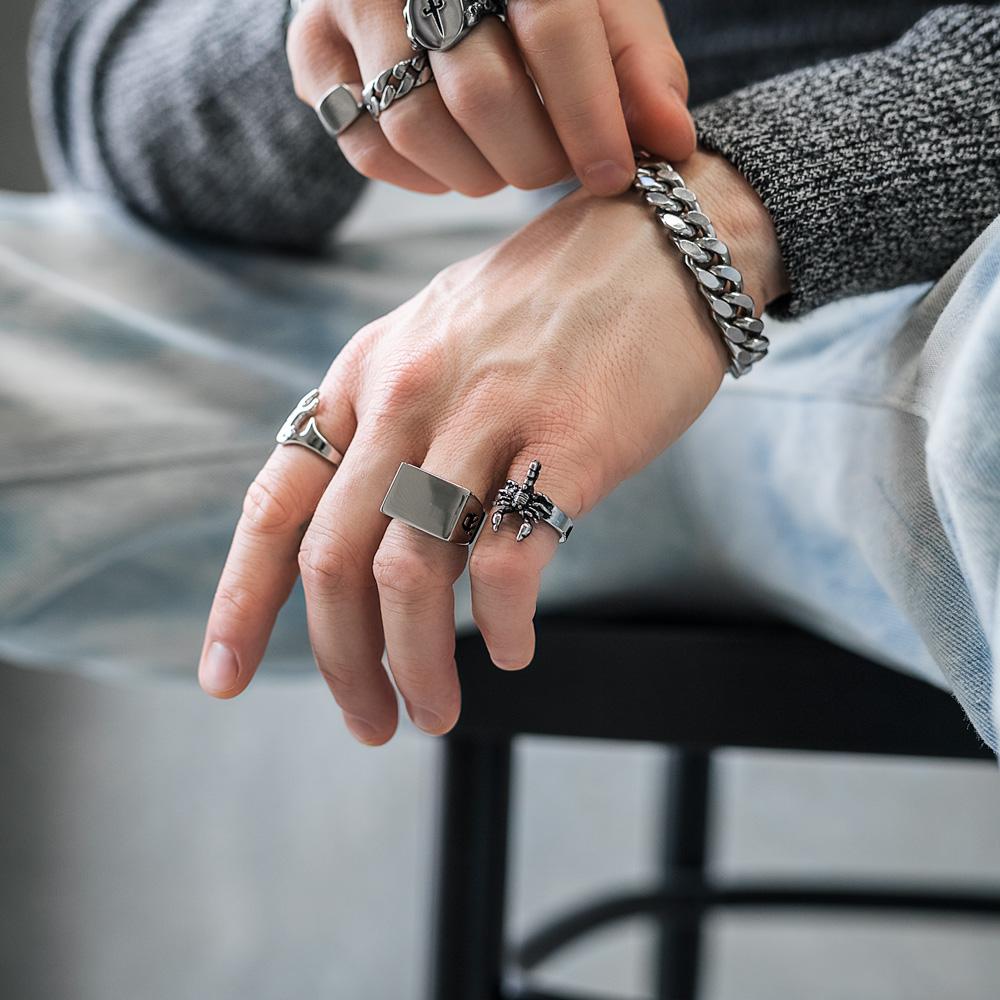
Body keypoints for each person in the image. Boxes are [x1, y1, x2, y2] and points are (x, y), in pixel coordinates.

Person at [18, 0, 1000, 750]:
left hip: (934, 245)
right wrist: (329, 36)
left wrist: (720, 217)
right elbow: (95, 76)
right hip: (472, 247)